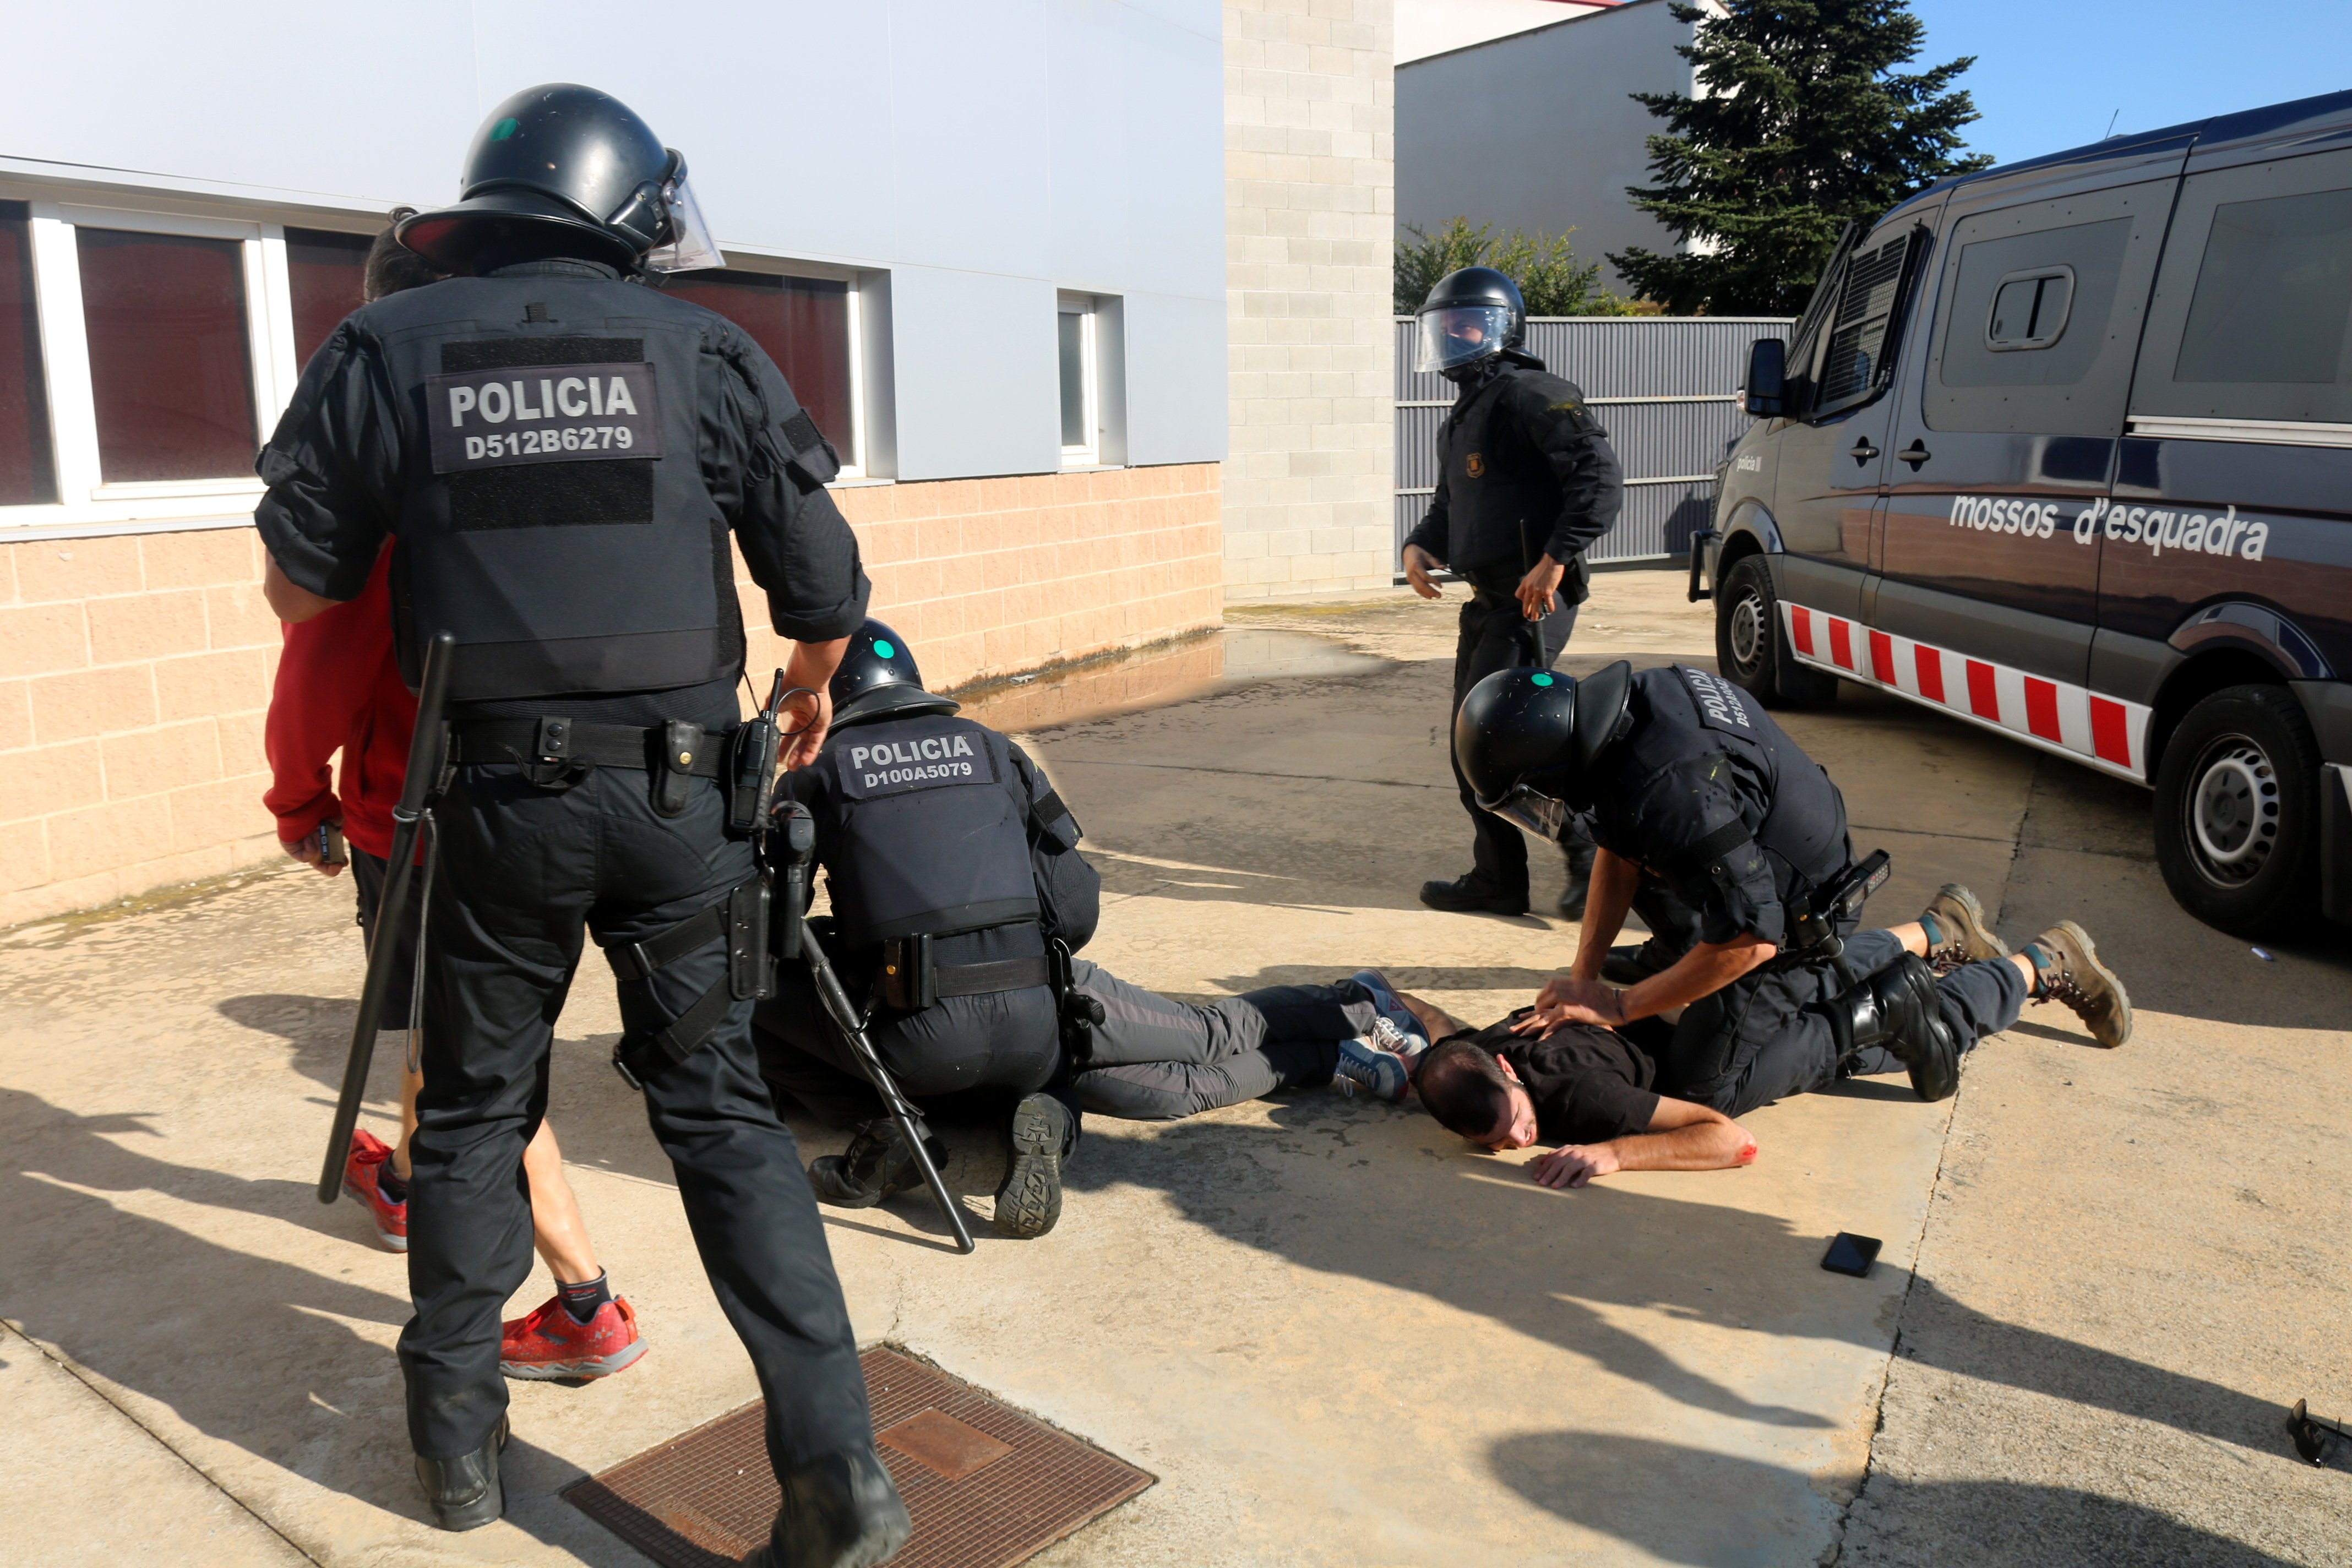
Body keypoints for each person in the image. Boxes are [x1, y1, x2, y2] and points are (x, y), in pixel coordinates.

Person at [254, 85, 907, 1564]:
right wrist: (804, 693)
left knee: (477, 1115)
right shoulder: (709, 350)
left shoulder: (383, 347)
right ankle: (838, 1475)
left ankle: (462, 1453)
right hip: (687, 803)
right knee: (724, 1117)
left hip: (489, 808)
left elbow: (305, 592)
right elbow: (825, 596)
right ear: (623, 211)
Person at [263, 210, 643, 1385]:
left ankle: (585, 1298)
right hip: (586, 797)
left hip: (427, 816)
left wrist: (296, 798)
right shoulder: (552, 443)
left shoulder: (385, 470)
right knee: (457, 1051)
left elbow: (317, 652)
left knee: (477, 1065)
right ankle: (415, 1179)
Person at [754, 625, 1431, 1235]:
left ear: (828, 704)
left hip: (914, 1037)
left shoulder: (816, 773)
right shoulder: (998, 751)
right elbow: (1075, 909)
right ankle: (1357, 1008)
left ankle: (908, 1126)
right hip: (1038, 1024)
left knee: (757, 1004)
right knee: (1203, 1037)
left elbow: (773, 931)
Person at [1453, 661, 2133, 1119]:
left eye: (1530, 797)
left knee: (1707, 1084)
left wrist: (1622, 1006)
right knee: (1693, 995)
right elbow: (1619, 846)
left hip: (1782, 911)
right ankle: (1939, 933)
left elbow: (1752, 939)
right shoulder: (1625, 718)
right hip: (1767, 874)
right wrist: (1585, 979)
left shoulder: (1672, 795)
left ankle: (2027, 969)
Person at [1412, 882, 2111, 1185]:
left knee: (1882, 1031)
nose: (1519, 1141)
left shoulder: (1584, 1099)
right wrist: (1387, 1000)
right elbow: (1435, 1026)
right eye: (1497, 1142)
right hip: (1695, 1006)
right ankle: (1937, 931)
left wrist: (1614, 1155)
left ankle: (2037, 965)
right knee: (1820, 977)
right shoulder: (1494, 1043)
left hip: (1719, 1059)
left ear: (1506, 1070)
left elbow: (1728, 1138)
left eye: (1514, 1122)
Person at [1399, 266, 1625, 922]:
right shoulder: (1466, 413)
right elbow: (1451, 505)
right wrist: (1419, 544)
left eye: (1469, 322)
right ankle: (1497, 880)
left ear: (1503, 327)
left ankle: (1593, 851)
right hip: (1489, 601)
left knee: (1503, 744)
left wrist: (1555, 560)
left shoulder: (1533, 393)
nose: (1455, 336)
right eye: (1446, 326)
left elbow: (1600, 480)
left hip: (1534, 601)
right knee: (1470, 747)